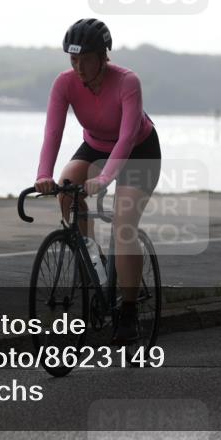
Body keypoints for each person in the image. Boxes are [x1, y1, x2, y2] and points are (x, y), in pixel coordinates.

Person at [34, 18, 161, 345]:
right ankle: (94, 262)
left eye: (85, 59)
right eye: (72, 59)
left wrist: (105, 178)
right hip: (95, 144)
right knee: (66, 188)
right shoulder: (64, 84)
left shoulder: (127, 82)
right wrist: (44, 175)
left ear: (104, 56)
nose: (78, 67)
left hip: (137, 150)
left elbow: (127, 136)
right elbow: (53, 132)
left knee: (123, 225)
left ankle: (129, 311)